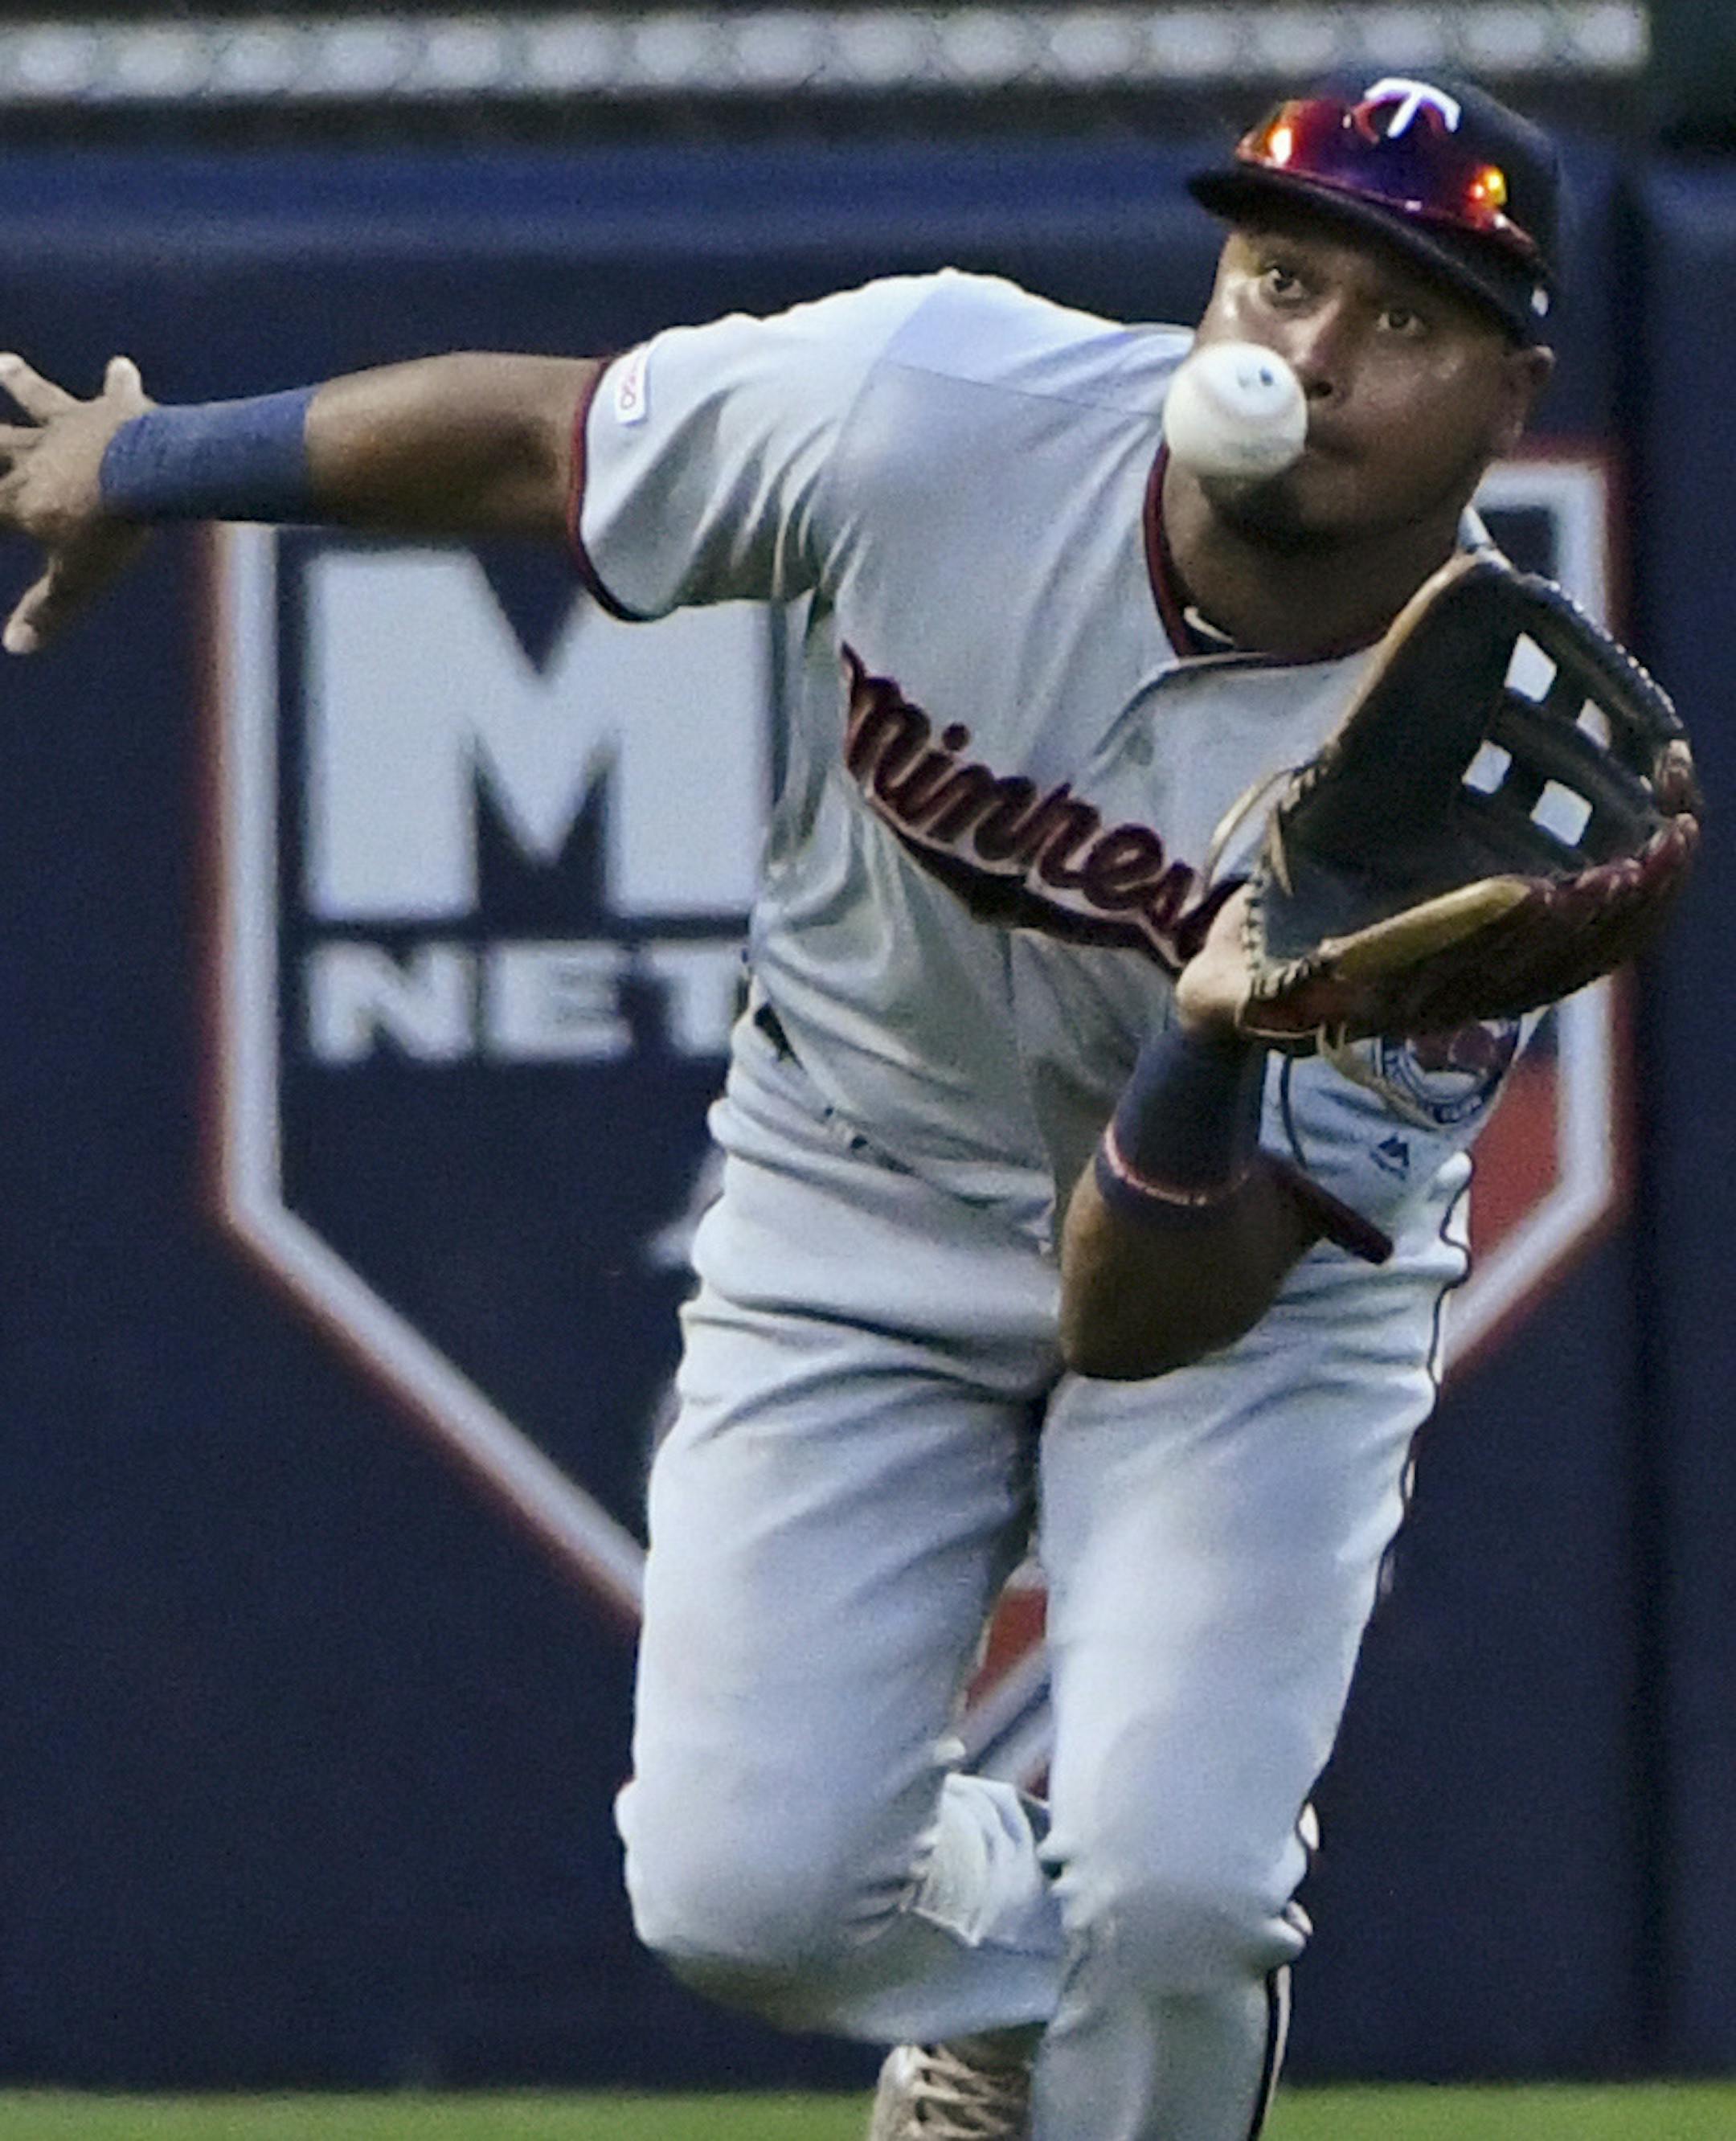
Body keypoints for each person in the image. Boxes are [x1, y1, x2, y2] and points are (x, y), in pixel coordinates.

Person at [0, 74, 1574, 2141]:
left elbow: (1148, 1313)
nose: (1309, 353)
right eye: (1280, 275)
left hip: (1239, 1299)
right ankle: (1018, 1952)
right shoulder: (940, 404)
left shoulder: (1501, 796)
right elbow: (525, 436)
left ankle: (1127, 1976)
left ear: (1510, 396)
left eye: (1407, 319)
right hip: (857, 1184)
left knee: (1185, 1895)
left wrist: (1206, 1038)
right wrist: (148, 459)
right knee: (749, 1903)